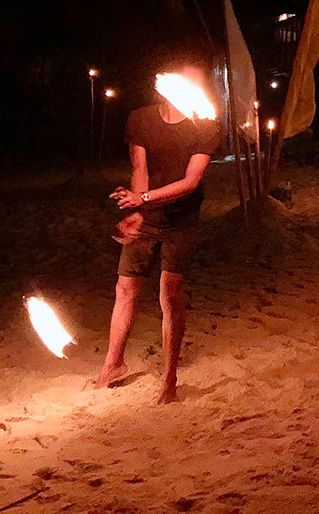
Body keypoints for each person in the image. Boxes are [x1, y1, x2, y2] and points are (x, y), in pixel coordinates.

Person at [94, 61, 222, 404]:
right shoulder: (141, 119)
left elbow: (191, 182)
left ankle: (169, 379)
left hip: (182, 220)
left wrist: (144, 198)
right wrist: (136, 210)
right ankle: (113, 364)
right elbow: (140, 169)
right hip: (148, 216)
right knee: (125, 288)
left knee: (169, 293)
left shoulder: (206, 126)